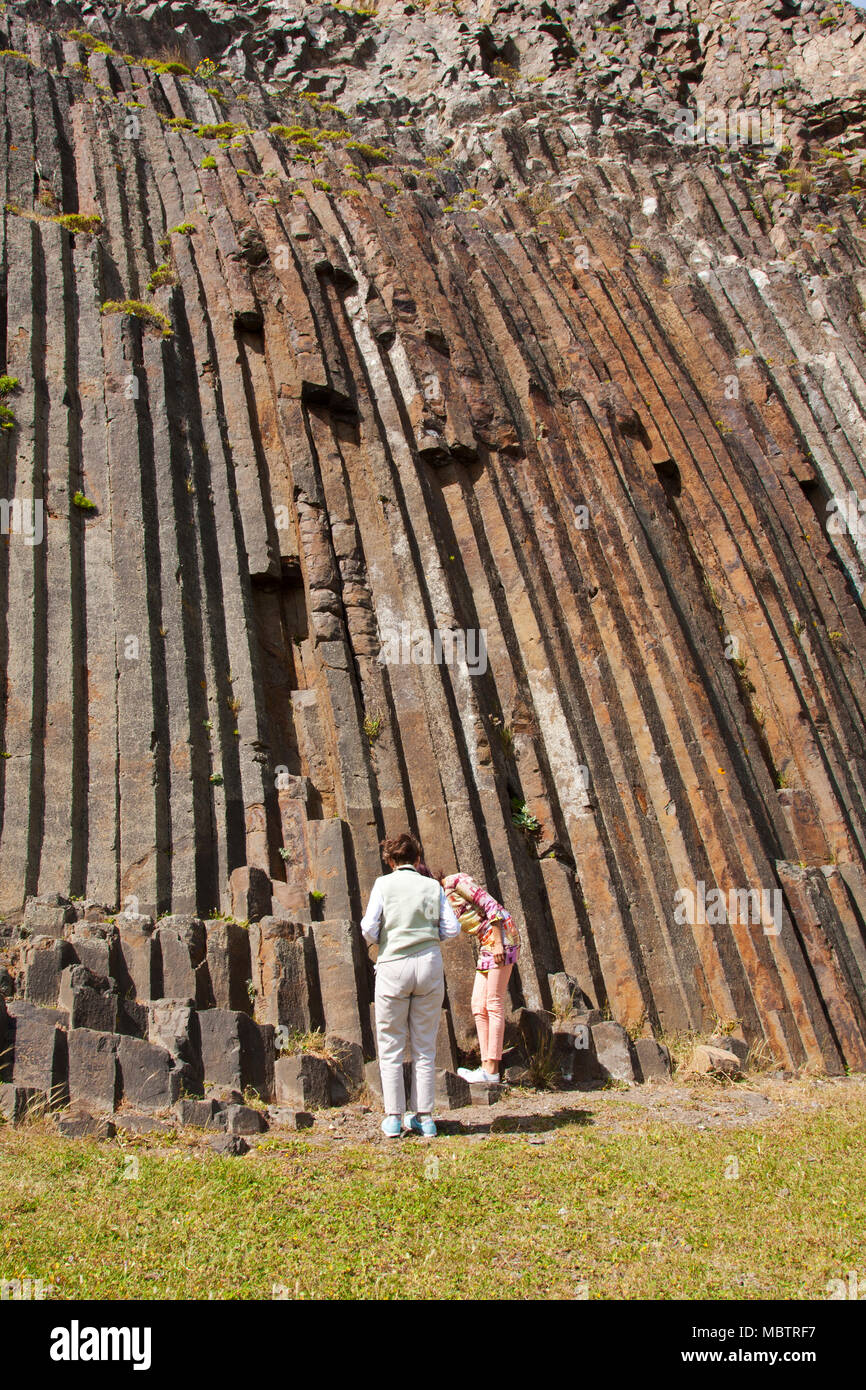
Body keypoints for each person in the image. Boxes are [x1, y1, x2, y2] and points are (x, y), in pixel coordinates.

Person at [361, 832, 460, 1138]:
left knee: (391, 1042)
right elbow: (452, 928)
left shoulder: (383, 884)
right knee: (425, 1044)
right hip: (428, 964)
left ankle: (393, 1117)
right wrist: (429, 940)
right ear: (418, 859)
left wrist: (385, 941)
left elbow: (368, 927)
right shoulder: (432, 886)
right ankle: (425, 1117)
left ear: (391, 861)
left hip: (393, 965)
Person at [442, 870, 520, 1085]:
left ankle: (492, 1069)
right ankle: (485, 1066)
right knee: (478, 1004)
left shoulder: (455, 882)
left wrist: (497, 943)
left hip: (501, 939)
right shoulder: (441, 899)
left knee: (493, 1003)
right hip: (486, 943)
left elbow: (491, 906)